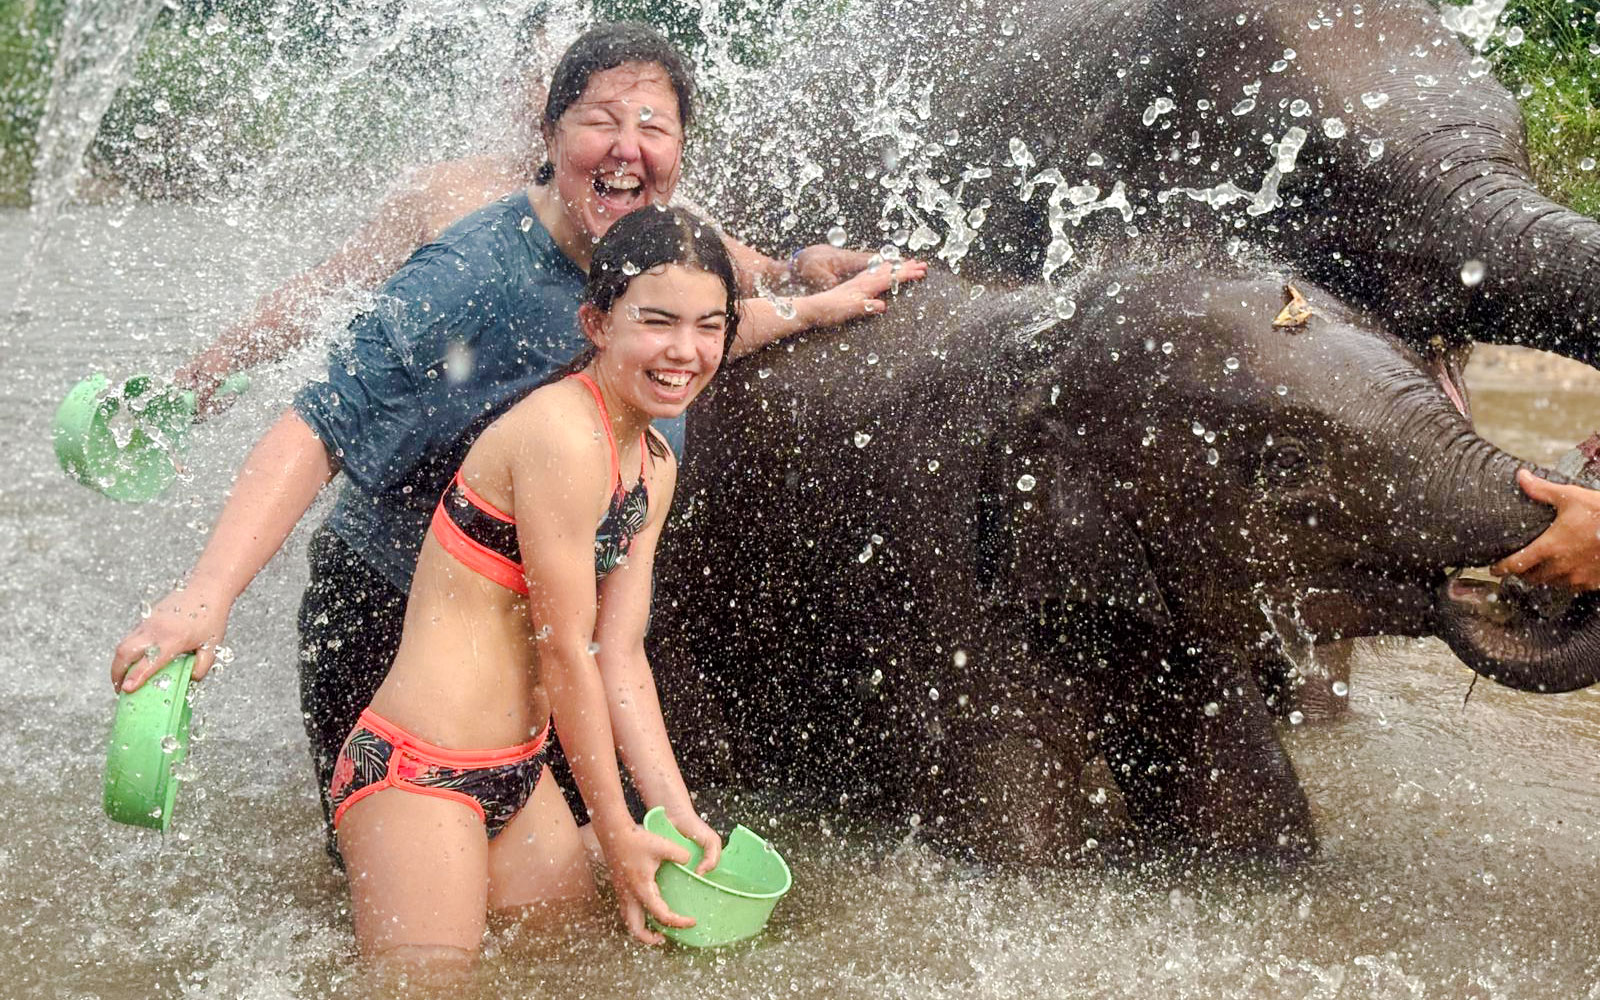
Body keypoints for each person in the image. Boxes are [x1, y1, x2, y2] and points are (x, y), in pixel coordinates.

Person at [110, 22, 928, 847]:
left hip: (547, 638)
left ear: (681, 146)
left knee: (567, 910)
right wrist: (205, 597)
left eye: (653, 126)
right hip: (393, 618)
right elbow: (319, 425)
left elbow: (692, 325)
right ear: (549, 128)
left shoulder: (657, 240)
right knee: (398, 899)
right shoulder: (472, 268)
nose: (626, 147)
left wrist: (808, 288)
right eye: (601, 120)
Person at [332, 205, 732, 966]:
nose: (685, 350)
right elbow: (565, 655)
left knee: (559, 973)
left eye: (709, 325)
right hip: (417, 774)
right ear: (597, 322)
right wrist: (613, 830)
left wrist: (675, 817)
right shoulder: (561, 434)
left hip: (519, 777)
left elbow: (621, 655)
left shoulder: (653, 463)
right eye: (657, 321)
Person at [172, 20, 865, 416]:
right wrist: (215, 366)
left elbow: (758, 279)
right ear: (531, 100)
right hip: (423, 465)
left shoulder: (655, 214)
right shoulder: (446, 195)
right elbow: (328, 293)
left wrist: (806, 266)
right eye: (556, 80)